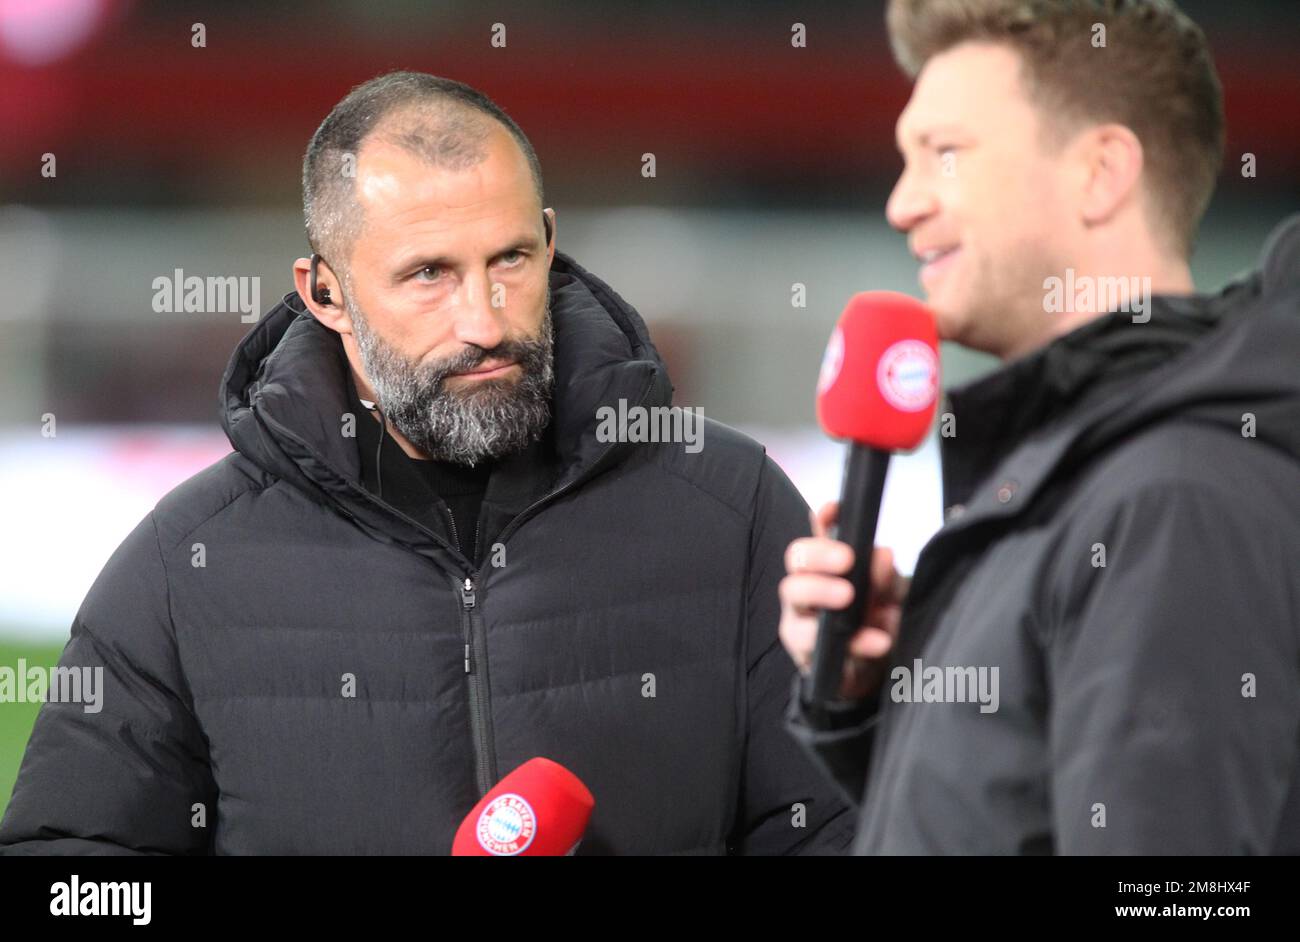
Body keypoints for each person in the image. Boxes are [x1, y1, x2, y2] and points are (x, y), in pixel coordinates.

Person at [0, 72, 854, 855]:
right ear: (324, 292)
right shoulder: (184, 565)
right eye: (428, 275)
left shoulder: (731, 510)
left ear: (551, 242)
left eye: (509, 260)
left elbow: (840, 831)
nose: (484, 320)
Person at [779, 0, 1300, 854]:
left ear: (1101, 172)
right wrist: (876, 701)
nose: (902, 204)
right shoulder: (1087, 478)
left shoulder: (1171, 499)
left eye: (944, 154)